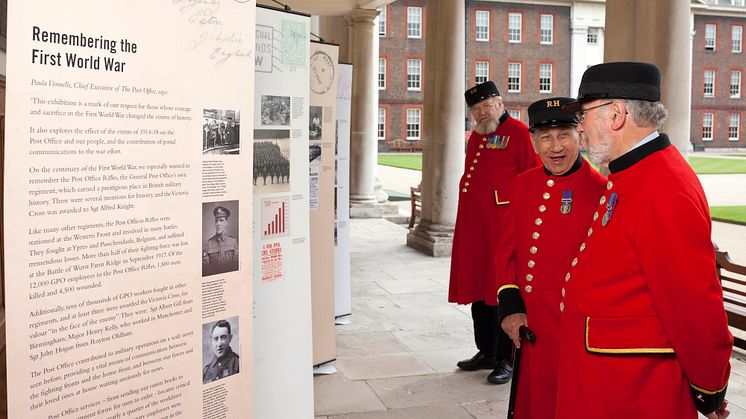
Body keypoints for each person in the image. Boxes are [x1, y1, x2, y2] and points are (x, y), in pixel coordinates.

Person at [554, 61, 732, 418]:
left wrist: (709, 388)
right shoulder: (632, 172)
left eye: (584, 115)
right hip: (606, 376)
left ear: (617, 114)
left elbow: (692, 306)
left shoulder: (664, 188)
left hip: (633, 388)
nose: (580, 128)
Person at [496, 97, 607, 418]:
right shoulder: (523, 185)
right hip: (533, 328)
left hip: (575, 330)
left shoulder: (602, 191)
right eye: (545, 137)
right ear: (533, 141)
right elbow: (507, 251)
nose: (554, 147)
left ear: (580, 137)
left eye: (563, 135)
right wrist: (510, 307)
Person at [449, 80, 540, 384]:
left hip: (503, 229)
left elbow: (532, 178)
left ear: (500, 104)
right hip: (476, 230)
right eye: (476, 109)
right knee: (479, 289)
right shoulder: (477, 136)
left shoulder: (518, 134)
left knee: (501, 292)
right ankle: (486, 350)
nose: (482, 112)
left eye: (487, 105)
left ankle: (507, 358)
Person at [202, 205, 239, 276]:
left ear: (226, 222)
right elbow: (206, 270)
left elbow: (236, 266)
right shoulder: (208, 244)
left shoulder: (233, 242)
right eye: (216, 221)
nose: (218, 224)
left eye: (221, 220)